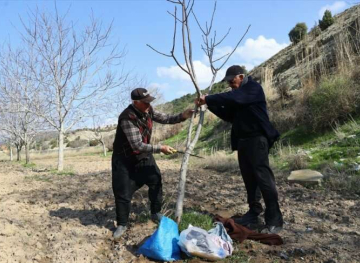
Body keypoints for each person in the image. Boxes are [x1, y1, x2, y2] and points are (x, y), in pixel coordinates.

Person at [195, 65, 283, 234]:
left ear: (241, 77)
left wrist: (208, 98)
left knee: (264, 179)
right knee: (250, 180)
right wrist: (208, 105)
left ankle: (274, 220)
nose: (229, 84)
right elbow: (229, 115)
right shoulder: (238, 96)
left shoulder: (252, 89)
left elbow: (233, 98)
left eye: (231, 80)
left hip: (257, 139)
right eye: (228, 81)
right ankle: (253, 213)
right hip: (243, 142)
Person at [112, 88, 193, 240]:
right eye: (145, 102)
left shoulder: (149, 110)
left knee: (155, 179)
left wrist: (183, 115)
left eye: (149, 101)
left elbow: (167, 118)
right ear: (135, 102)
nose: (148, 105)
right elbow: (137, 145)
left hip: (144, 156)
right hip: (124, 159)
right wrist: (160, 148)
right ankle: (122, 224)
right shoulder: (126, 118)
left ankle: (155, 212)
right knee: (123, 192)